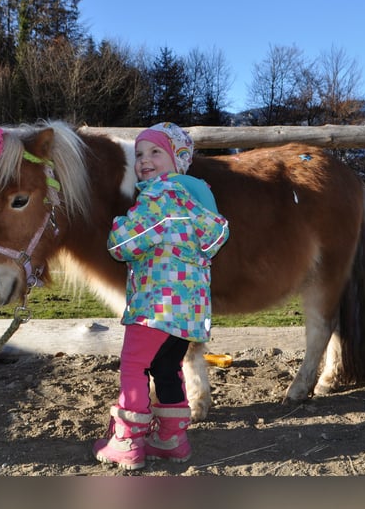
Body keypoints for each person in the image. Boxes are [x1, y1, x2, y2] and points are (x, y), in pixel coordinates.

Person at [93, 122, 229, 470]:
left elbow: (122, 245)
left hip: (156, 307)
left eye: (156, 152)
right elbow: (214, 240)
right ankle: (171, 439)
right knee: (167, 368)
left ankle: (127, 440)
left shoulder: (159, 198)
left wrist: (117, 225)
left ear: (178, 160)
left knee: (134, 366)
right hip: (189, 313)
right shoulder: (196, 201)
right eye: (139, 154)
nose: (144, 160)